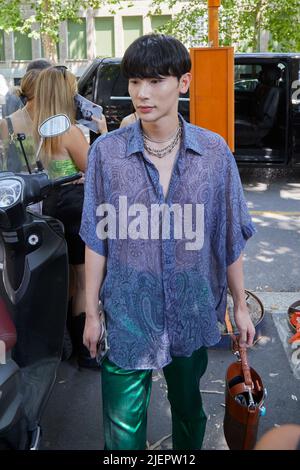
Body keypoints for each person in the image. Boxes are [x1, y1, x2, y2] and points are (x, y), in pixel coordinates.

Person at [80, 33, 256, 450]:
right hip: (126, 313)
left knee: (189, 411)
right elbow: (96, 237)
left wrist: (240, 305)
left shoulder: (214, 154)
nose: (142, 93)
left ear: (183, 83)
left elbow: (228, 236)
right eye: (134, 81)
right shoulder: (106, 153)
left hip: (192, 308)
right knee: (121, 429)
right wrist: (90, 312)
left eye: (156, 80)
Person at [34, 65, 107, 369]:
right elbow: (96, 168)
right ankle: (87, 354)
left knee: (66, 281)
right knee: (82, 279)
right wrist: (103, 133)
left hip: (52, 204)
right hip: (76, 207)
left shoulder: (38, 128)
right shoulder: (70, 131)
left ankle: (65, 344)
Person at [0, 66, 51, 172]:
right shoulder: (6, 124)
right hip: (20, 184)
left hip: (48, 182)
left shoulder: (52, 119)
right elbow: (6, 161)